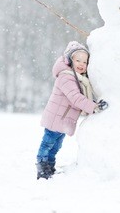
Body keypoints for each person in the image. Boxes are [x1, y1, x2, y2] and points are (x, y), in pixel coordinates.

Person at [36, 41, 108, 180]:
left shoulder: (77, 78)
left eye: (85, 62)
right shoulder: (66, 77)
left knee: (56, 146)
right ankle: (42, 168)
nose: (81, 64)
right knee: (48, 144)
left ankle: (49, 167)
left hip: (62, 119)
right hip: (56, 118)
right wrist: (94, 107)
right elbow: (76, 97)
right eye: (78, 60)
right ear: (70, 61)